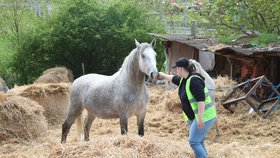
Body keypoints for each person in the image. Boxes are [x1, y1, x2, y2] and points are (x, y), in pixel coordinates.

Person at [158, 57, 216, 158]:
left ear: (181, 69)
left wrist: (200, 118)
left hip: (205, 116)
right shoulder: (184, 80)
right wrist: (161, 74)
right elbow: (172, 78)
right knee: (199, 140)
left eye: (176, 68)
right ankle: (204, 155)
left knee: (193, 142)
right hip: (195, 116)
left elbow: (201, 100)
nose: (175, 71)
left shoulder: (194, 81)